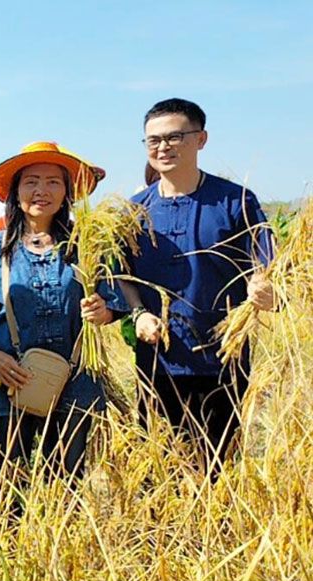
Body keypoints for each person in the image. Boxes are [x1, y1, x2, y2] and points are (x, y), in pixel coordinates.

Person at [0, 142, 127, 510]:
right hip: (10, 382)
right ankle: (10, 556)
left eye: (53, 182)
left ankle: (61, 557)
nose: (41, 191)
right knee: (7, 485)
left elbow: (116, 302)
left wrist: (103, 312)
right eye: (31, 181)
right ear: (15, 193)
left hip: (76, 383)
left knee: (65, 483)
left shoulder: (87, 245)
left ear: (66, 192)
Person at [120, 98, 274, 477]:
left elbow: (269, 266)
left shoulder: (236, 201)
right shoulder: (132, 211)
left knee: (216, 469)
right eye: (153, 140)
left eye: (175, 136)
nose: (163, 147)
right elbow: (120, 275)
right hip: (157, 363)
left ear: (201, 139)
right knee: (157, 468)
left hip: (223, 359)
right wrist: (138, 314)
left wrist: (265, 288)